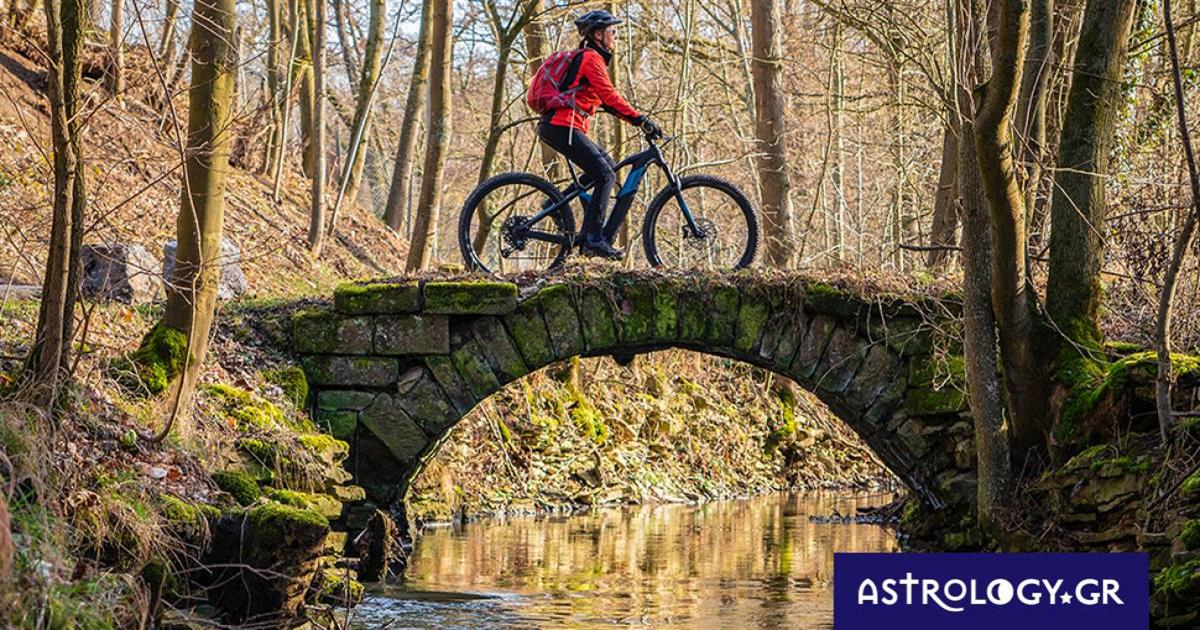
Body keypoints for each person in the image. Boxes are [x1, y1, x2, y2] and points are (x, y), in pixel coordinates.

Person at [537, 9, 662, 260]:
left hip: (562, 126)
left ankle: (555, 204)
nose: (615, 36)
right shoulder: (591, 59)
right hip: (562, 126)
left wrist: (633, 119)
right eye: (612, 32)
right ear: (598, 34)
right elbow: (611, 97)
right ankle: (594, 238)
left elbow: (605, 103)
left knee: (606, 167)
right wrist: (642, 120)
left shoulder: (590, 60)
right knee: (605, 174)